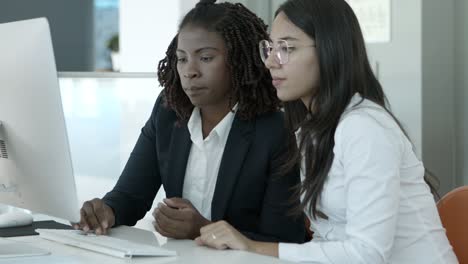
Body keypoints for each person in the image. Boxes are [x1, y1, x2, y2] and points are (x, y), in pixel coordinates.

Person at [195, 0, 459, 263]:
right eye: (270, 48)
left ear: (331, 50)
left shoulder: (364, 128)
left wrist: (253, 247)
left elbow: (367, 254)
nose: (271, 63)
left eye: (287, 47)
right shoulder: (313, 130)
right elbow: (330, 239)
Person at [73, 0, 306, 243]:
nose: (189, 71)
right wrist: (106, 211)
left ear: (240, 60)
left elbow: (285, 239)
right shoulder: (168, 112)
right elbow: (130, 196)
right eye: (182, 59)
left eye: (205, 58)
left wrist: (203, 229)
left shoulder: (276, 130)